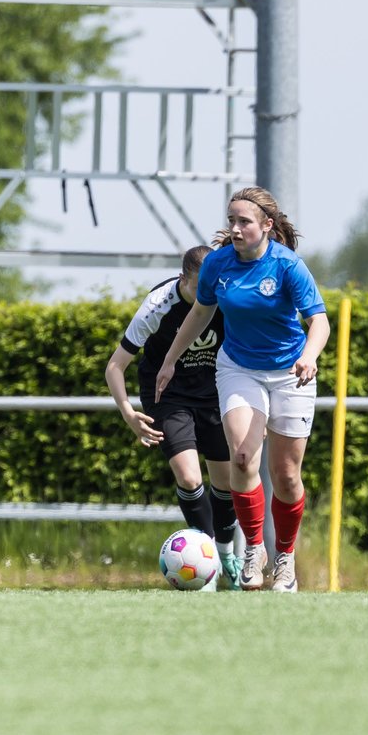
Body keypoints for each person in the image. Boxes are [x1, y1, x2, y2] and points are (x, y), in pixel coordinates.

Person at [156, 187, 330, 592]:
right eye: (231, 220)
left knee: (286, 475)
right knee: (242, 456)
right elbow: (201, 312)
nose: (234, 228)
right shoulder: (218, 264)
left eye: (244, 222)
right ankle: (255, 548)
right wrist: (169, 360)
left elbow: (318, 320)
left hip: (291, 373)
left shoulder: (288, 266)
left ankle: (285, 557)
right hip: (238, 368)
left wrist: (309, 354)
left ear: (267, 226)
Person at [105, 243, 242, 589]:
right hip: (167, 394)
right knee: (189, 477)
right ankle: (206, 556)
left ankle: (224, 551)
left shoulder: (226, 296)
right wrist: (128, 413)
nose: (208, 294)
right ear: (183, 279)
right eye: (200, 287)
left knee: (226, 484)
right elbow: (115, 366)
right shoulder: (158, 304)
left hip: (214, 390)